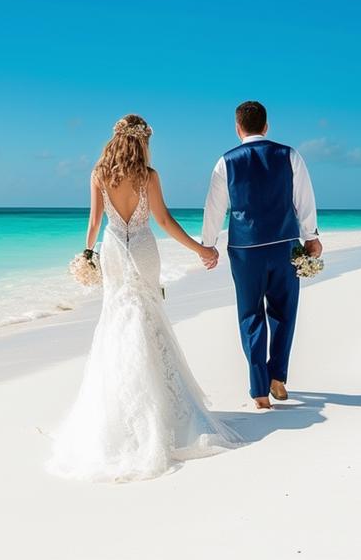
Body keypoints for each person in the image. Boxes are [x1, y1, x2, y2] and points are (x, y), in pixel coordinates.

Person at [47, 114, 241, 483]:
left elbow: (93, 223)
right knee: (146, 316)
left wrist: (87, 255)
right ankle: (163, 411)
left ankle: (120, 411)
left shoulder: (99, 173)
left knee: (118, 318)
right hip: (144, 249)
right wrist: (200, 249)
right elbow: (164, 221)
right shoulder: (148, 176)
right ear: (144, 141)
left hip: (114, 251)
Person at [199, 101, 321, 410]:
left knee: (250, 315)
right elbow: (304, 200)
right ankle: (277, 376)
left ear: (238, 128)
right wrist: (312, 238)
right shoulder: (289, 155)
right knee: (284, 311)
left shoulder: (226, 161)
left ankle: (259, 392)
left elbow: (214, 208)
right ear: (266, 126)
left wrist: (208, 244)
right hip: (284, 244)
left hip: (244, 249)